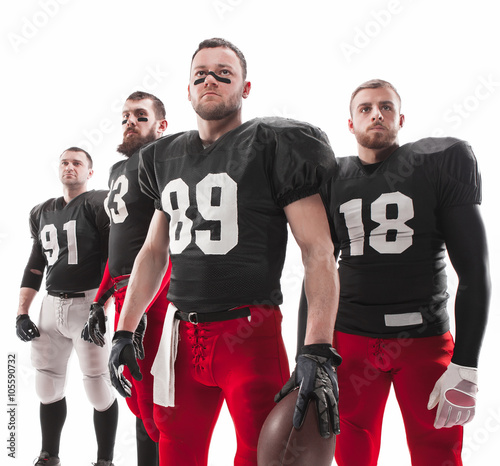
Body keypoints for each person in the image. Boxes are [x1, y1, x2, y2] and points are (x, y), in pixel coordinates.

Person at [108, 38, 341, 466]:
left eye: (223, 73)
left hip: (248, 334)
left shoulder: (273, 143)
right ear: (188, 90)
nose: (209, 79)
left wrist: (317, 348)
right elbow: (154, 252)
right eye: (200, 74)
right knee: (175, 452)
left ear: (245, 88)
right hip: (182, 336)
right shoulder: (163, 155)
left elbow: (318, 250)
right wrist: (125, 329)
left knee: (258, 455)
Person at [298, 79, 490, 466]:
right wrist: (307, 353)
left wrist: (466, 363)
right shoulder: (332, 177)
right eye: (365, 108)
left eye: (386, 107)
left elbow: (474, 271)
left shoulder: (438, 163)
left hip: (423, 340)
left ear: (400, 119)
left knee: (438, 454)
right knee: (351, 452)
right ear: (350, 124)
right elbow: (316, 267)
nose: (377, 114)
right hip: (349, 340)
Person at [81, 91, 170, 466]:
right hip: (123, 295)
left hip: (154, 292)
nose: (130, 121)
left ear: (161, 126)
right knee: (133, 395)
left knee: (157, 400)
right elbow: (116, 249)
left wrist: (145, 304)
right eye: (125, 117)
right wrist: (99, 301)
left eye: (140, 115)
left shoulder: (164, 160)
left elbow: (169, 243)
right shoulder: (118, 170)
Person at [16, 147, 118, 466]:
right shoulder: (42, 211)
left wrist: (102, 305)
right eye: (65, 162)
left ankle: (104, 460)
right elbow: (35, 266)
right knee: (46, 385)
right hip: (51, 304)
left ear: (90, 172)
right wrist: (21, 312)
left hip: (90, 302)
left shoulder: (99, 203)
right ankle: (50, 454)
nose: (69, 167)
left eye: (77, 162)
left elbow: (115, 260)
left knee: (98, 387)